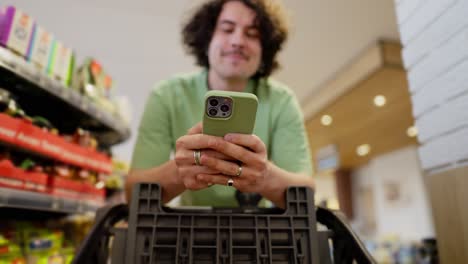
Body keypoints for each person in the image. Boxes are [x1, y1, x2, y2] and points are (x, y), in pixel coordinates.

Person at [126, 0, 314, 209]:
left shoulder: (282, 101)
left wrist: (264, 177)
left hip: (262, 233)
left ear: (265, 49)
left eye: (252, 34)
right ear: (207, 39)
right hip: (188, 228)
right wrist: (180, 171)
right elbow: (132, 193)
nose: (237, 41)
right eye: (227, 29)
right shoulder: (167, 95)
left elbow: (307, 195)